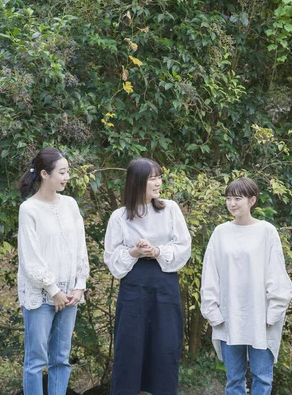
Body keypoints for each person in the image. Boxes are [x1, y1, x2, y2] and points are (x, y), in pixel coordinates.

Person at [104, 157, 192, 395]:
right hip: (133, 286)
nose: (158, 183)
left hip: (164, 284)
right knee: (130, 347)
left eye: (159, 177)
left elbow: (184, 247)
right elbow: (112, 258)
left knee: (166, 346)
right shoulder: (120, 217)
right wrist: (134, 251)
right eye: (152, 178)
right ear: (137, 182)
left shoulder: (170, 209)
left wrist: (157, 251)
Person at [200, 177, 292, 395]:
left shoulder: (266, 231)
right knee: (234, 380)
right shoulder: (220, 233)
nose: (232, 203)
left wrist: (273, 313)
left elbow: (277, 274)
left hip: (260, 317)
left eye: (238, 198)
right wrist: (212, 311)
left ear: (252, 200)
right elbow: (210, 275)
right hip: (228, 316)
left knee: (262, 378)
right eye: (228, 198)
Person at [17, 147, 90, 395]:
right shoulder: (29, 209)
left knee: (61, 358)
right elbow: (30, 258)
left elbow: (81, 247)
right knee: (36, 361)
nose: (67, 176)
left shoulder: (70, 204)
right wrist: (53, 289)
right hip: (41, 297)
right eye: (62, 172)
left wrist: (79, 285)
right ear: (45, 174)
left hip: (70, 294)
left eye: (68, 171)